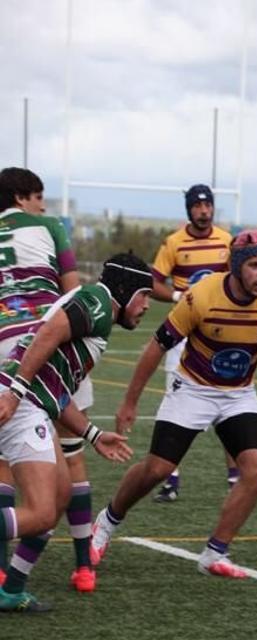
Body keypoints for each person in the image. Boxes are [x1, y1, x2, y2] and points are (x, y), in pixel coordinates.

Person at [91, 230, 257, 579]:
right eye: (254, 265)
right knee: (157, 470)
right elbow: (156, 346)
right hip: (192, 389)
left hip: (239, 395)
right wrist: (130, 402)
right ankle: (108, 519)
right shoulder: (201, 296)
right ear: (236, 266)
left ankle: (215, 552)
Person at [0, 253, 149, 611]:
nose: (146, 305)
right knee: (41, 513)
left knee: (62, 495)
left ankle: (11, 590)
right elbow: (50, 332)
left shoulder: (99, 314)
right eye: (144, 295)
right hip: (23, 403)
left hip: (34, 401)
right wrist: (17, 391)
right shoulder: (98, 302)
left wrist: (94, 435)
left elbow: (59, 392)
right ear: (126, 290)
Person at [0, 167, 102, 594]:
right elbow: (71, 293)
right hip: (45, 343)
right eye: (39, 196)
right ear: (23, 197)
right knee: (72, 457)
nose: (44, 204)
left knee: (5, 463)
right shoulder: (48, 226)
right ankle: (83, 567)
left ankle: (7, 576)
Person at [148, 184, 235, 503]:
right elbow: (153, 281)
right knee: (176, 403)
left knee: (228, 400)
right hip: (182, 331)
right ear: (189, 210)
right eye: (197, 206)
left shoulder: (226, 241)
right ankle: (171, 479)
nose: (203, 210)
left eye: (208, 204)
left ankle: (235, 477)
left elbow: (237, 278)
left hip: (220, 333)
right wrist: (176, 295)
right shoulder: (174, 242)